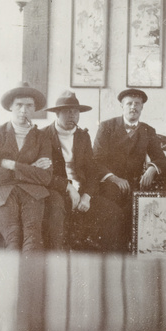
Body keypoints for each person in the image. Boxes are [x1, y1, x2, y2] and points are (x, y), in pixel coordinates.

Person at [42, 90, 124, 252]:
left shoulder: (82, 136)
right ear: (57, 114)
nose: (72, 116)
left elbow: (92, 171)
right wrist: (68, 188)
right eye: (67, 112)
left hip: (82, 191)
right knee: (56, 212)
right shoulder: (43, 135)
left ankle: (107, 264)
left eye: (76, 112)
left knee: (114, 212)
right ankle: (58, 261)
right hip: (57, 191)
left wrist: (87, 196)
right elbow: (43, 174)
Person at [93, 88, 166, 248]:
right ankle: (113, 254)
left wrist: (152, 168)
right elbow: (96, 160)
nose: (133, 107)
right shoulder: (107, 127)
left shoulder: (148, 130)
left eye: (137, 104)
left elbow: (162, 160)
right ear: (122, 106)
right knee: (114, 215)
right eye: (129, 103)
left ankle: (133, 254)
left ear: (142, 107)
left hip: (135, 186)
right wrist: (113, 178)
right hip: (109, 185)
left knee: (140, 212)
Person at [0, 82, 52, 251]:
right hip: (2, 193)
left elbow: (45, 177)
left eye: (29, 106)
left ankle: (30, 277)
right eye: (19, 105)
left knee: (33, 236)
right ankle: (10, 277)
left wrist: (13, 165)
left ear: (35, 109)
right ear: (10, 107)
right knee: (13, 238)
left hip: (32, 194)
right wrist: (30, 168)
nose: (23, 110)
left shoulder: (42, 137)